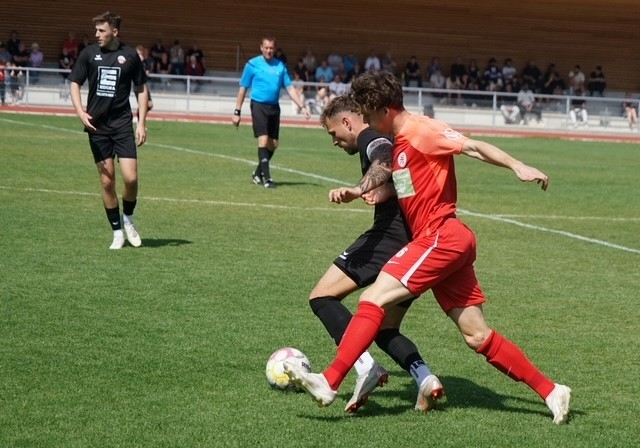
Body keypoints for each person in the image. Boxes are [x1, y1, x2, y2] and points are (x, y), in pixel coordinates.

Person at [284, 71, 571, 425]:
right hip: (445, 242)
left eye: (368, 116)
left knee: (372, 299)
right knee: (477, 336)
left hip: (440, 236)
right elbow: (407, 186)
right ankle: (552, 390)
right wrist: (373, 193)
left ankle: (329, 381)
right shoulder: (401, 141)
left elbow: (473, 146)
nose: (367, 124)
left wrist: (517, 165)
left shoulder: (422, 130)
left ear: (382, 109)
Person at [313, 95, 443, 413]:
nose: (334, 142)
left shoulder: (370, 137)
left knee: (321, 297)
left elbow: (384, 156)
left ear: (347, 122)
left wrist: (359, 189)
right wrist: (386, 190)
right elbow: (404, 176)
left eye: (333, 134)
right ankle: (425, 378)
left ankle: (364, 366)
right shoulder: (389, 137)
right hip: (416, 246)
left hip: (389, 238)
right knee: (385, 329)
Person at [69, 11, 149, 250]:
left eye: (101, 30)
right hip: (97, 127)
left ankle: (128, 219)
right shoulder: (89, 54)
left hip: (122, 125)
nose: (97, 34)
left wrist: (141, 122)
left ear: (115, 31)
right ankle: (117, 232)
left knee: (131, 178)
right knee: (107, 181)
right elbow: (74, 83)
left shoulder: (130, 55)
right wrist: (80, 112)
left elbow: (141, 88)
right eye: (96, 30)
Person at [232, 37, 310, 189]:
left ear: (274, 49)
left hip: (274, 107)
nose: (269, 51)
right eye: (266, 48)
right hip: (258, 106)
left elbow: (290, 88)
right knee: (263, 140)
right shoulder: (252, 64)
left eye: (271, 48)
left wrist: (302, 106)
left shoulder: (280, 66)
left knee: (273, 144)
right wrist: (237, 111)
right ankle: (267, 179)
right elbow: (243, 88)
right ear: (261, 48)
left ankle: (257, 173)